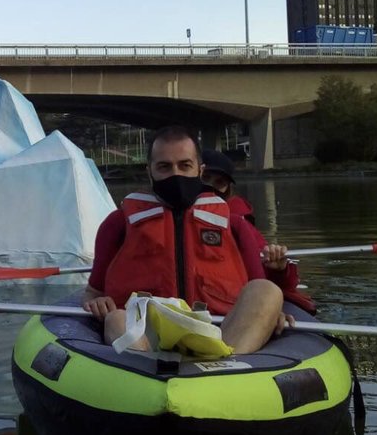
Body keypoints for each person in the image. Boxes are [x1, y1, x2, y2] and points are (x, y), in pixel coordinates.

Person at [82, 126, 303, 354]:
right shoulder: (117, 224)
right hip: (146, 333)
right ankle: (144, 373)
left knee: (267, 291)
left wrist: (271, 312)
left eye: (185, 166)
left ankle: (226, 368)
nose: (175, 174)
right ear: (150, 171)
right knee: (116, 319)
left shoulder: (235, 225)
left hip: (220, 331)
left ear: (200, 169)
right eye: (164, 167)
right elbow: (93, 293)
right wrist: (97, 304)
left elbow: (257, 286)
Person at [201, 148, 257, 227]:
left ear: (228, 187)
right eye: (205, 177)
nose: (211, 185)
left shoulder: (238, 213)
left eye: (219, 182)